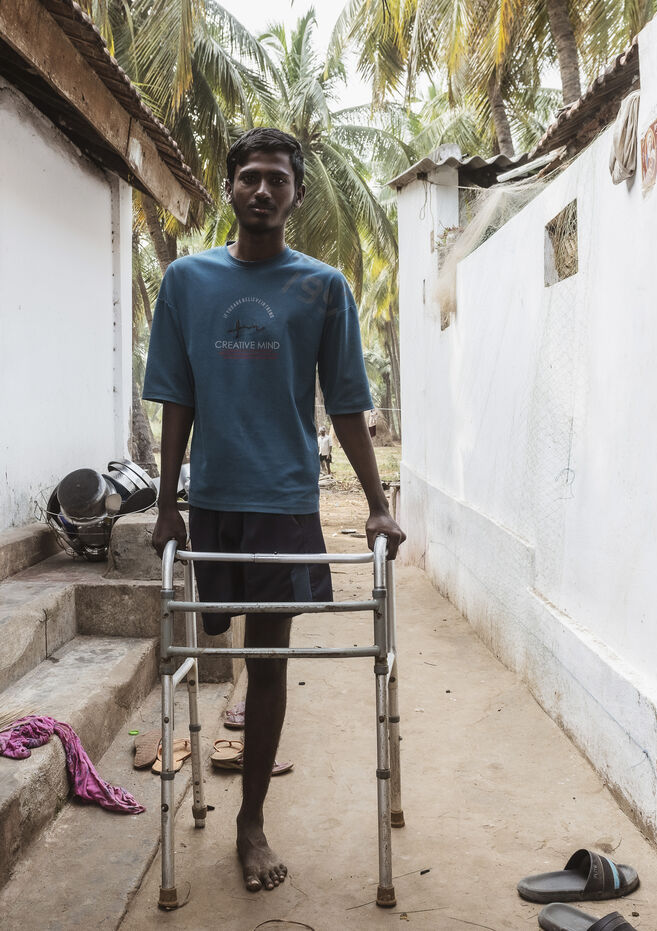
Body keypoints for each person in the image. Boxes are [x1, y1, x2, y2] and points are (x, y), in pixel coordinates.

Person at [143, 127, 404, 895]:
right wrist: (167, 505)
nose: (262, 189)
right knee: (212, 639)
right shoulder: (187, 281)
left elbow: (347, 403)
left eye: (277, 179)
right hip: (211, 500)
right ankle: (237, 786)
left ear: (296, 193)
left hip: (284, 502)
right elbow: (176, 397)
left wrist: (378, 505)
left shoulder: (322, 288)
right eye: (250, 176)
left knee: (268, 660)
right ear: (230, 186)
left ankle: (250, 821)